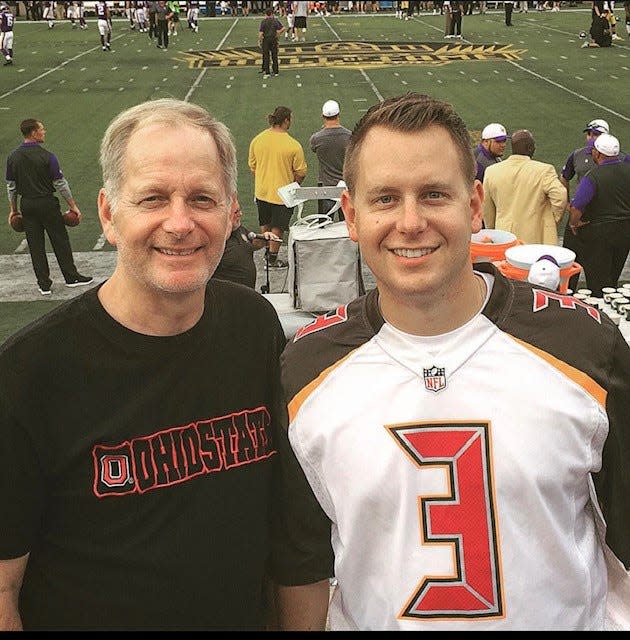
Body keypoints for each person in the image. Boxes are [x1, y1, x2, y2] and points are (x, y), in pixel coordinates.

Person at [274, 92, 630, 631]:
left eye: (435, 194)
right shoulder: (306, 368)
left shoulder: (584, 346)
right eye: (386, 198)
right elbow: (300, 561)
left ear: (473, 204)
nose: (411, 222)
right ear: (351, 214)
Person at [0, 99, 289, 631]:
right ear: (110, 214)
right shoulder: (26, 373)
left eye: (201, 199)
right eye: (153, 198)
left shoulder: (254, 325)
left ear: (231, 214)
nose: (179, 223)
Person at [5, 119, 93, 295]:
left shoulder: (12, 157)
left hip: (28, 205)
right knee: (60, 240)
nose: (44, 132)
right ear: (33, 133)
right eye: (41, 129)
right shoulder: (48, 156)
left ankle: (44, 284)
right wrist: (73, 206)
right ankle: (71, 277)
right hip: (47, 204)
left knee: (35, 245)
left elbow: (11, 186)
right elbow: (60, 183)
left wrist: (14, 210)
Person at [568, 133, 630, 297]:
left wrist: (574, 224)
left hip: (600, 235)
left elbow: (577, 207)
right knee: (613, 277)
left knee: (599, 283)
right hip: (625, 233)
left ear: (598, 153)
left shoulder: (594, 176)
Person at [482, 129, 568, 245]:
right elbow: (560, 196)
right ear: (530, 148)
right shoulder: (544, 170)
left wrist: (494, 229)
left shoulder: (492, 171)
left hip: (504, 237)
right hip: (534, 239)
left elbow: (487, 207)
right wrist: (551, 221)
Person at [248, 106, 307, 268]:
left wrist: (263, 180)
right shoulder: (293, 145)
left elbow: (252, 166)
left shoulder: (258, 140)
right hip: (282, 194)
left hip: (262, 191)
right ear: (286, 120)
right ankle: (272, 258)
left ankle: (267, 252)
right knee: (278, 227)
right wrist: (292, 184)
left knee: (265, 223)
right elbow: (301, 172)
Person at [560, 118, 609, 292]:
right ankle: (567, 294)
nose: (591, 137)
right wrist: (566, 201)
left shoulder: (614, 158)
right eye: (589, 134)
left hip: (599, 218)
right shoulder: (577, 155)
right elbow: (565, 177)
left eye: (595, 134)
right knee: (570, 260)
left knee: (597, 266)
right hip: (578, 213)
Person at [212, 203, 281, 289]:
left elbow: (253, 244)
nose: (240, 214)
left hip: (246, 293)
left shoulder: (239, 229)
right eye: (236, 212)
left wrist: (264, 237)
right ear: (224, 214)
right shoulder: (215, 240)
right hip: (226, 295)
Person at [309, 99, 352, 221]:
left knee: (324, 226)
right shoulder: (349, 136)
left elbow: (314, 149)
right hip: (345, 186)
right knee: (346, 225)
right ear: (338, 115)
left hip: (325, 188)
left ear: (323, 116)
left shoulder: (317, 139)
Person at [258, 7, 284, 78]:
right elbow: (283, 28)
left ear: (266, 14)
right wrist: (277, 34)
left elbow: (261, 33)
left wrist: (259, 40)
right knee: (274, 56)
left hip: (266, 40)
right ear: (272, 13)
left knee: (266, 56)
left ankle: (267, 72)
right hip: (273, 39)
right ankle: (276, 71)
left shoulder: (263, 21)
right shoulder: (275, 20)